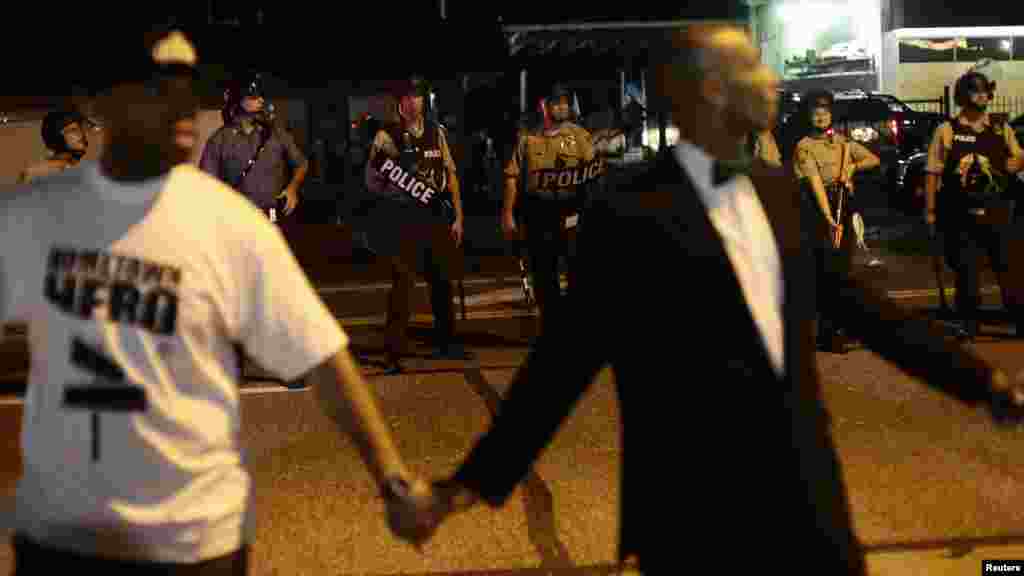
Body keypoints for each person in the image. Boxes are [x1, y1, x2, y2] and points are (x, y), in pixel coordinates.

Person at [391, 21, 1024, 574]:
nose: (770, 78)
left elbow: (872, 314)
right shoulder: (629, 211)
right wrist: (462, 490)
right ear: (712, 90)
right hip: (691, 524)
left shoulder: (779, 194)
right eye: (751, 65)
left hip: (809, 508)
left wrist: (986, 386)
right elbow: (564, 361)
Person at [0, 30, 433, 573]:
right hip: (61, 539)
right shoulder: (33, 215)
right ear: (100, 104)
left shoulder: (231, 225)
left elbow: (323, 357)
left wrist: (393, 481)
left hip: (195, 541)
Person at [364, 76, 469, 374]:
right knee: (402, 284)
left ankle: (447, 343)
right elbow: (372, 181)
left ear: (425, 100)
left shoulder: (436, 132)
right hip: (403, 217)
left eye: (418, 97)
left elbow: (451, 175)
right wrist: (397, 189)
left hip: (435, 215)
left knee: (441, 280)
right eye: (408, 97)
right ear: (400, 103)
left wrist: (458, 216)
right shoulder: (387, 136)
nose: (413, 102)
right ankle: (393, 352)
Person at [925, 70, 1024, 341]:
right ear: (963, 96)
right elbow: (933, 172)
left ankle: (1019, 320)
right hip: (960, 213)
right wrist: (930, 211)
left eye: (985, 91)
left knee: (1009, 268)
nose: (982, 96)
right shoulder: (947, 130)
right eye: (975, 91)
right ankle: (969, 323)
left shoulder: (1000, 127)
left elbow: (1018, 157)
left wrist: (1015, 162)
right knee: (966, 270)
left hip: (997, 209)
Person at [501, 82, 604, 339]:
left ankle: (578, 328)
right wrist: (507, 214)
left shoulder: (579, 136)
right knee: (544, 277)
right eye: (557, 102)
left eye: (565, 102)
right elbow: (512, 177)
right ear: (544, 106)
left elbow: (596, 175)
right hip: (538, 214)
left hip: (571, 214)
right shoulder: (528, 138)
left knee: (577, 272)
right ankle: (553, 329)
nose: (563, 107)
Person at [793, 89, 880, 352]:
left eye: (825, 111)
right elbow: (815, 183)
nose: (820, 116)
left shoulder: (842, 143)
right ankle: (827, 333)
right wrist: (829, 217)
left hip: (843, 204)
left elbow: (872, 159)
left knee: (842, 267)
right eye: (815, 111)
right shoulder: (804, 145)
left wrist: (851, 168)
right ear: (808, 115)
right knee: (825, 269)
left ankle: (838, 328)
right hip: (820, 211)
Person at [199, 73, 307, 223]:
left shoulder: (276, 133)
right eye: (253, 96)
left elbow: (301, 163)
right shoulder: (219, 140)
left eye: (260, 95)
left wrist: (292, 188)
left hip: (272, 217)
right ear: (238, 98)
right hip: (237, 219)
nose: (261, 100)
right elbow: (206, 185)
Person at [18, 109, 91, 184]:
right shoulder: (39, 171)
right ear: (57, 138)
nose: (81, 133)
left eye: (80, 128)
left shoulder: (82, 169)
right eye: (73, 130)